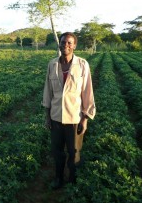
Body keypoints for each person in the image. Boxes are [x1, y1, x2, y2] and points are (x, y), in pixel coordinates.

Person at [42, 32, 96, 189]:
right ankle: (58, 178)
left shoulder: (82, 64)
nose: (66, 45)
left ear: (74, 46)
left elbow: (87, 91)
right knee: (57, 152)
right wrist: (47, 117)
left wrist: (85, 118)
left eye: (69, 43)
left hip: (75, 118)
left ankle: (72, 179)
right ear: (59, 44)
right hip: (56, 117)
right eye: (63, 42)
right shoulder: (52, 64)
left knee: (74, 152)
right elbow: (48, 91)